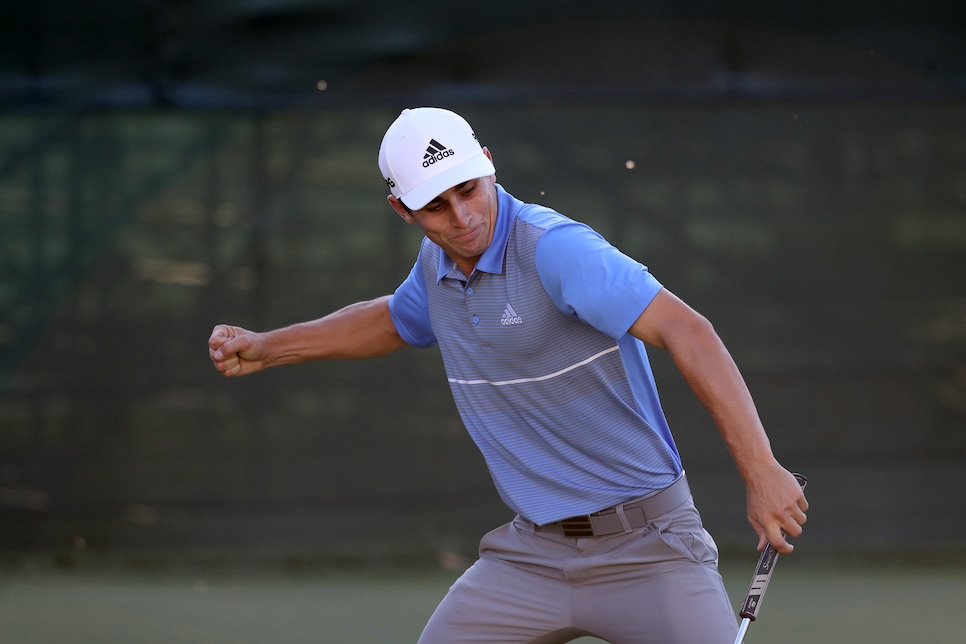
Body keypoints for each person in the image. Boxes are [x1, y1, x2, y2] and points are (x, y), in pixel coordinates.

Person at [208, 107, 808, 643]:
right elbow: (394, 320)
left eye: (468, 190)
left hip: (650, 548)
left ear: (488, 165)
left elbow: (689, 330)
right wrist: (269, 348)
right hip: (530, 555)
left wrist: (761, 471)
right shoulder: (435, 264)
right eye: (436, 206)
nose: (462, 217)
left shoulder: (556, 248)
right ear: (402, 210)